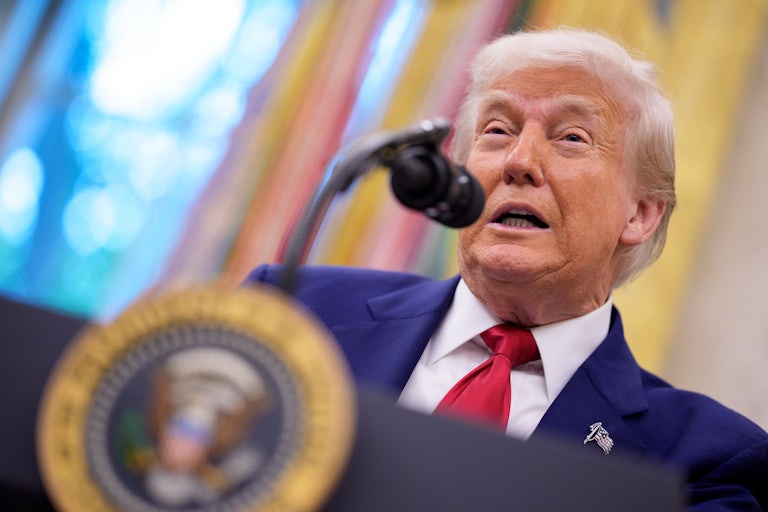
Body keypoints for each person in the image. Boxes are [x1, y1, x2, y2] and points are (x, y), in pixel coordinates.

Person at [247, 28, 768, 508]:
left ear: (640, 214)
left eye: (571, 138)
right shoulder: (291, 310)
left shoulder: (706, 462)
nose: (519, 161)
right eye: (497, 130)